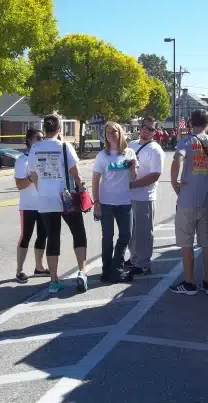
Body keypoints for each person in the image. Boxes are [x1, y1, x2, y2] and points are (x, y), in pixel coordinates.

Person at [28, 114, 89, 294]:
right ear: (60, 129)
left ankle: (54, 279)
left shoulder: (35, 148)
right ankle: (82, 271)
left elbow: (33, 175)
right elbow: (76, 174)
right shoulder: (64, 146)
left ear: (44, 129)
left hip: (46, 199)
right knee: (78, 233)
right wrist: (82, 187)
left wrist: (42, 189)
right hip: (67, 198)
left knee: (52, 237)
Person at [169, 109, 208, 295]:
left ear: (191, 123)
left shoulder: (187, 141)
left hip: (186, 201)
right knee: (207, 242)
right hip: (206, 200)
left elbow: (177, 158)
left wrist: (175, 182)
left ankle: (189, 283)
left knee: (186, 243)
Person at [93, 122, 137, 283]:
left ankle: (116, 268)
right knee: (108, 237)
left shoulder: (129, 153)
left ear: (121, 133)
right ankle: (107, 271)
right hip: (106, 203)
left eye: (114, 131)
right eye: (108, 132)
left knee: (126, 235)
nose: (111, 134)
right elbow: (96, 179)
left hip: (125, 202)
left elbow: (133, 177)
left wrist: (133, 168)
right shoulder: (102, 155)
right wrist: (96, 202)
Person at [126, 116, 165, 276]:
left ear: (155, 132)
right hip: (127, 196)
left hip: (145, 196)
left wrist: (134, 185)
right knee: (131, 230)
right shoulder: (131, 145)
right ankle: (134, 257)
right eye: (144, 127)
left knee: (143, 231)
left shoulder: (155, 150)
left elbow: (155, 175)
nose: (146, 130)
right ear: (140, 127)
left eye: (150, 129)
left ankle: (143, 263)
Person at [14, 128, 49, 283]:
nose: (41, 141)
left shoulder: (44, 158)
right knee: (26, 236)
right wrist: (31, 178)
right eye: (38, 138)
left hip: (43, 204)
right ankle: (19, 270)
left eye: (43, 138)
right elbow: (19, 185)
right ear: (29, 140)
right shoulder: (23, 160)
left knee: (43, 236)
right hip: (28, 205)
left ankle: (39, 267)